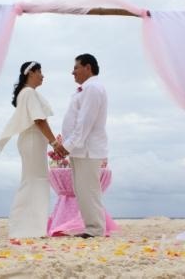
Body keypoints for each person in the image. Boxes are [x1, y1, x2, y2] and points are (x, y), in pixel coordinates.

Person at [0, 61, 60, 238]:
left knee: (33, 181)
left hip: (31, 141)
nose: (42, 75)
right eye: (40, 71)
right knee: (35, 181)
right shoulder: (29, 93)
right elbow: (39, 120)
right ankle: (27, 228)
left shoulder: (25, 93)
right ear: (31, 73)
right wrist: (54, 143)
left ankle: (29, 226)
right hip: (31, 141)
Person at [55, 54, 108, 238]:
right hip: (80, 149)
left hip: (87, 149)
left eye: (76, 67)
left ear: (88, 67)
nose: (73, 72)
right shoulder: (85, 89)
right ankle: (91, 228)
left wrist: (66, 146)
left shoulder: (93, 88)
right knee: (82, 190)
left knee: (88, 189)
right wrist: (69, 147)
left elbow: (85, 122)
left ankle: (95, 230)